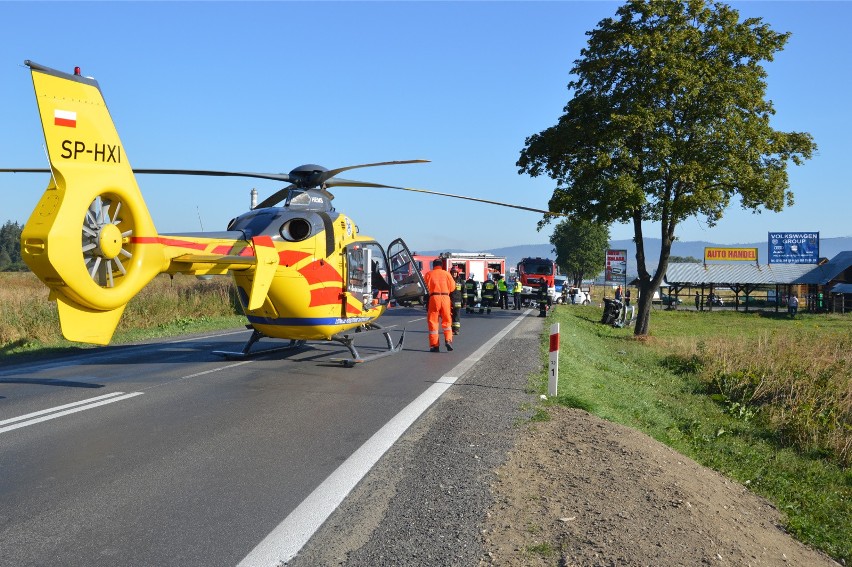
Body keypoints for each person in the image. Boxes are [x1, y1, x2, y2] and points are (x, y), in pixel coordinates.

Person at [423, 259, 455, 352]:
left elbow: (425, 288)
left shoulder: (429, 274)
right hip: (445, 298)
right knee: (447, 321)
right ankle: (448, 340)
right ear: (441, 266)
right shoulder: (447, 274)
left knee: (433, 321)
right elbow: (452, 287)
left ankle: (434, 345)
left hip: (434, 298)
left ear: (433, 265)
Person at [449, 267, 463, 335]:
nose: (454, 274)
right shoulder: (448, 280)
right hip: (449, 301)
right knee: (450, 316)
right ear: (451, 273)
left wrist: (465, 301)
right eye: (453, 272)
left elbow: (464, 292)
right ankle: (451, 329)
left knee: (456, 316)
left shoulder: (461, 281)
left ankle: (456, 330)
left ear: (457, 273)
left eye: (455, 272)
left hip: (457, 301)